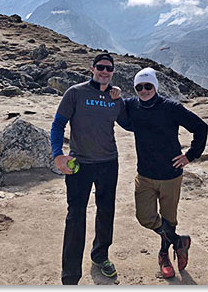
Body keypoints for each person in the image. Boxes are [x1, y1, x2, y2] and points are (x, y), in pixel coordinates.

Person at [116, 67, 208, 279]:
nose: (144, 90)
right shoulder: (132, 105)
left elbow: (200, 127)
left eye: (148, 86)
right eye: (139, 87)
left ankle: (164, 255)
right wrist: (115, 96)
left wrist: (190, 155)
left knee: (169, 218)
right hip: (145, 175)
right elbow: (121, 118)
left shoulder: (171, 108)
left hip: (170, 175)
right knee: (145, 217)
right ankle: (179, 242)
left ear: (155, 86)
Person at [50, 53, 126, 285]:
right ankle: (70, 276)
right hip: (79, 165)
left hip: (108, 163)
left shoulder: (116, 99)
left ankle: (100, 255)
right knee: (75, 217)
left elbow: (133, 122)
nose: (104, 71)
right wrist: (57, 155)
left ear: (113, 72)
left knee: (106, 211)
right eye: (100, 67)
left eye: (109, 69)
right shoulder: (75, 93)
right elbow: (57, 124)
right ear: (92, 69)